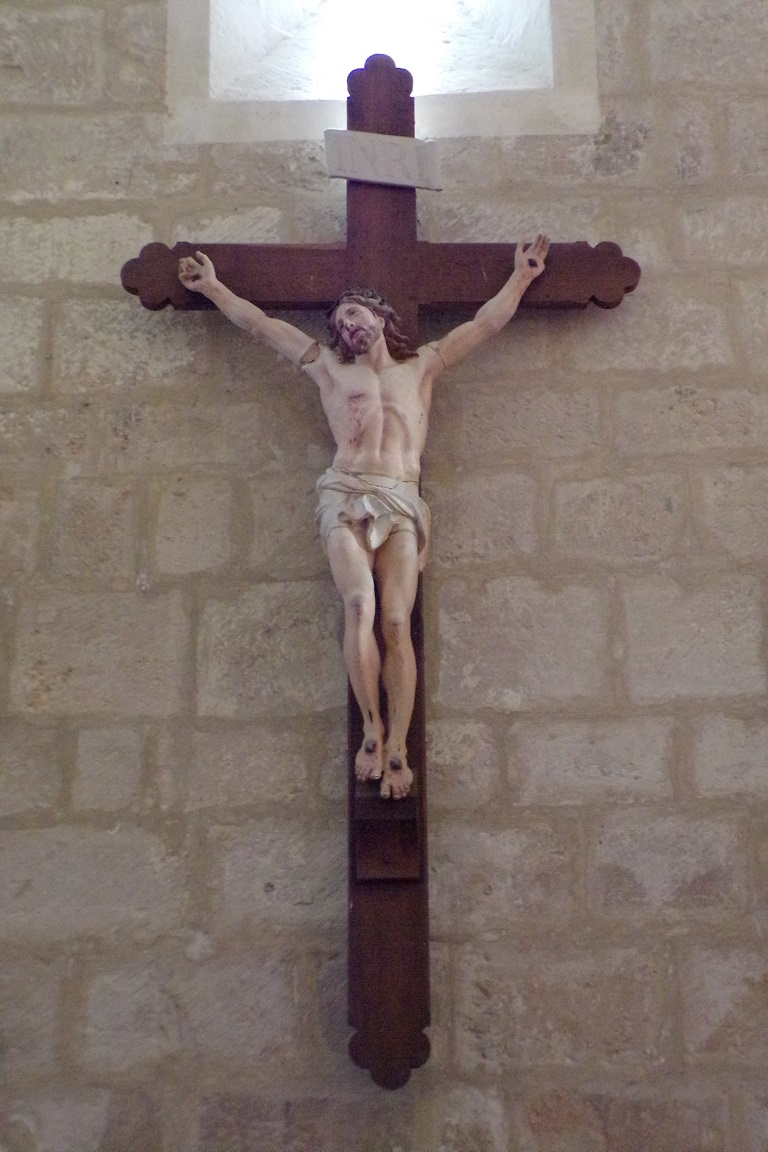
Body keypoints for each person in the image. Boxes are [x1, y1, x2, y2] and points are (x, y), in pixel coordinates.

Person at [179, 235, 549, 799]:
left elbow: (483, 325)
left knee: (397, 621)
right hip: (346, 493)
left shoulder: (422, 365)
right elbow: (260, 326)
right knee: (359, 604)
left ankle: (398, 744)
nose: (344, 324)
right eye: (338, 320)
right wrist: (212, 288)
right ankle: (371, 729)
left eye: (353, 312)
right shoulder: (327, 367)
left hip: (399, 497)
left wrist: (521, 277)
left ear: (379, 316)